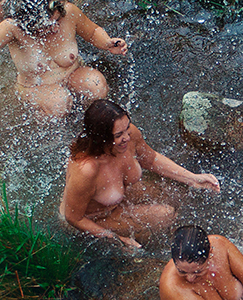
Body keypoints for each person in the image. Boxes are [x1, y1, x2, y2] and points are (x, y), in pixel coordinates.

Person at [60, 99, 220, 248]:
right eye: (118, 135)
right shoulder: (86, 169)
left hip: (119, 198)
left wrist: (192, 178)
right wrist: (116, 239)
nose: (127, 138)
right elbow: (73, 218)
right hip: (93, 218)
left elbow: (150, 159)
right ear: (100, 138)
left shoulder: (128, 134)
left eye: (127, 128)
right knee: (165, 216)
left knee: (180, 193)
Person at [0, 0, 127, 117]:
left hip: (73, 73)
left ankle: (90, 123)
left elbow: (92, 32)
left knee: (96, 87)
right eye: (47, 26)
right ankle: (49, 137)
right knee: (59, 102)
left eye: (57, 21)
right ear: (31, 26)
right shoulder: (13, 28)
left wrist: (107, 43)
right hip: (36, 88)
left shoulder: (68, 12)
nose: (55, 28)